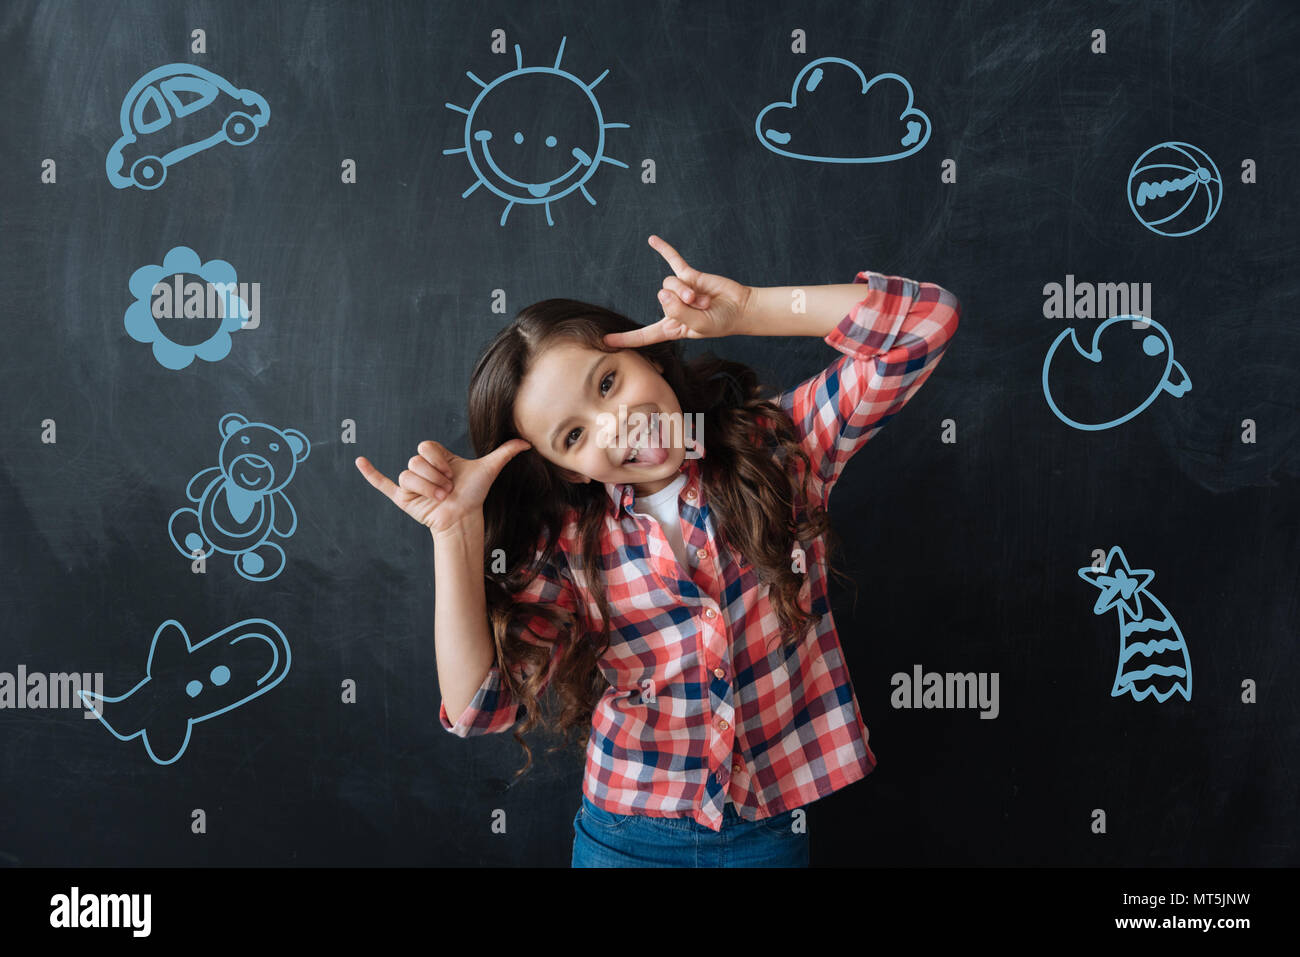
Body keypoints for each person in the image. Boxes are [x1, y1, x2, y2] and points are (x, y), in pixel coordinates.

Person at [355, 235, 960, 866]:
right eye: (574, 434)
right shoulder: (567, 545)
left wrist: (750, 308)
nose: (615, 425)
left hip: (769, 830)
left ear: (647, 353)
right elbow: (482, 709)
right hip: (627, 837)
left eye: (608, 382)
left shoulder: (778, 450)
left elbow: (926, 323)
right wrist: (454, 531)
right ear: (569, 471)